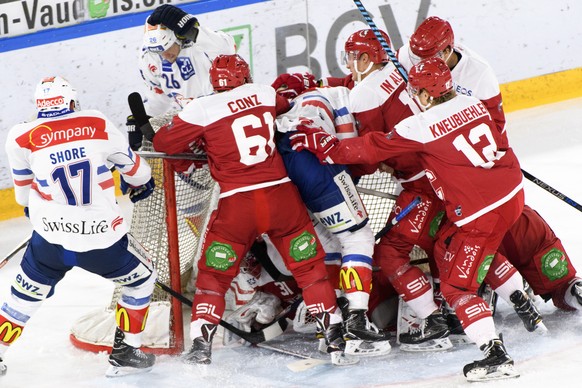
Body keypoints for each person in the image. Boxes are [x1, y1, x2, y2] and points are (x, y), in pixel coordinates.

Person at [291, 58, 524, 381]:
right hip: (513, 194)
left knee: (457, 288)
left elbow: (372, 149)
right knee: (449, 245)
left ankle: (495, 353)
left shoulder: (421, 125)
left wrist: (326, 146)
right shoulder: (472, 102)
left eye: (415, 91)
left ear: (427, 95)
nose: (411, 96)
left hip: (480, 214)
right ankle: (516, 294)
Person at [151, 54, 357, 366]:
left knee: (213, 276)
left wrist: (194, 124)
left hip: (238, 206)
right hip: (282, 198)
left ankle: (200, 345)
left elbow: (163, 141)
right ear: (245, 77)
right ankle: (333, 336)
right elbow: (285, 106)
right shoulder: (262, 92)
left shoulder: (202, 108)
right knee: (309, 270)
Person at [399, 15, 581, 320]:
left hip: (467, 165)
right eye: (417, 58)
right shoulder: (412, 56)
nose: (418, 63)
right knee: (459, 229)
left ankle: (563, 283)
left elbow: (496, 130)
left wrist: (483, 159)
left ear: (447, 51)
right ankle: (486, 283)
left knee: (513, 221)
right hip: (431, 162)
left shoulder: (478, 74)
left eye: (428, 58)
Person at [1, 76, 157, 377]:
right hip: (102, 241)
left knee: (23, 295)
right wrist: (127, 175)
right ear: (71, 102)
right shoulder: (95, 122)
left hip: (49, 241)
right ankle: (126, 353)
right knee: (141, 279)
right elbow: (139, 173)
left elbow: (24, 199)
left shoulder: (20, 136)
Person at [272, 76, 391, 356]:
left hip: (278, 169)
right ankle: (357, 322)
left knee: (328, 242)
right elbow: (348, 149)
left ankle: (330, 326)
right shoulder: (334, 93)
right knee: (357, 236)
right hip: (312, 160)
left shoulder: (283, 109)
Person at [128, 4, 236, 150]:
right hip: (192, 119)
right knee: (152, 134)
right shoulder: (149, 57)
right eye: (158, 51)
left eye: (167, 48)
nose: (164, 56)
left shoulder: (199, 43)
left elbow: (228, 49)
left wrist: (192, 30)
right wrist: (143, 120)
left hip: (226, 114)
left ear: (178, 37)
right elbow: (158, 97)